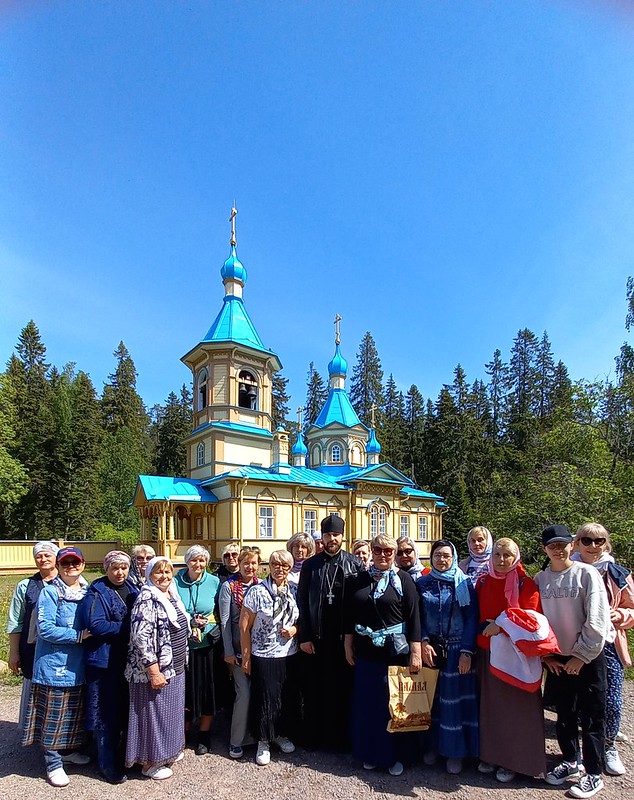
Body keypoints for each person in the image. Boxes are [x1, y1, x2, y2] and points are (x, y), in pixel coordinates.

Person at [536, 524, 614, 798]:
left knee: (592, 716)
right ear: (545, 549)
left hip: (588, 657)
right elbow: (535, 621)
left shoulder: (587, 574)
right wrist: (546, 656)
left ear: (572, 544)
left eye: (562, 544)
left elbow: (597, 620)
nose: (558, 550)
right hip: (558, 659)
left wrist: (581, 656)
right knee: (564, 713)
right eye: (552, 546)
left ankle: (594, 773)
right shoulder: (541, 579)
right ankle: (570, 760)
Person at [344, 534, 422, 776]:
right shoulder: (358, 579)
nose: (382, 555)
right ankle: (371, 753)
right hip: (366, 652)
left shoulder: (404, 580)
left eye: (388, 551)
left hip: (395, 653)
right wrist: (348, 643)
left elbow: (414, 617)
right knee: (369, 706)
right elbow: (349, 614)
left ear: (394, 554)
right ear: (372, 551)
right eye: (377, 550)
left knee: (394, 705)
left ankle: (394, 755)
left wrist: (416, 651)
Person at [475, 537, 545, 783]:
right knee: (491, 706)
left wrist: (501, 625)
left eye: (507, 555)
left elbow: (531, 619)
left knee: (516, 708)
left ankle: (515, 760)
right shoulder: (483, 582)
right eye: (497, 555)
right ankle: (492, 754)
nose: (502, 560)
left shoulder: (527, 584)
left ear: (516, 557)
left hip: (517, 655)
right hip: (489, 652)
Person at [21, 546, 91, 788]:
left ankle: (67, 752)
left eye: (75, 562)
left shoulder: (86, 590)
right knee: (53, 714)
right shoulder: (50, 593)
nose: (71, 566)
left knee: (72, 712)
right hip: (54, 663)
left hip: (78, 664)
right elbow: (45, 628)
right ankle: (52, 762)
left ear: (82, 564)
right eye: (65, 563)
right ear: (59, 567)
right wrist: (79, 635)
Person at [571, 522, 634, 777]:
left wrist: (619, 614)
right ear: (577, 542)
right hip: (573, 642)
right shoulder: (565, 568)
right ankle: (575, 751)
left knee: (610, 698)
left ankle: (608, 745)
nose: (593, 546)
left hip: (607, 643)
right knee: (574, 699)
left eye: (599, 541)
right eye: (587, 540)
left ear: (606, 543)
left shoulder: (616, 573)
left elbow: (632, 608)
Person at [297, 513, 362, 750]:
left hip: (345, 639)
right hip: (317, 638)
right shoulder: (311, 565)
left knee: (343, 688)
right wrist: (304, 636)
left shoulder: (354, 564)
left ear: (342, 537)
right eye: (327, 535)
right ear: (321, 538)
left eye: (335, 535)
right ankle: (315, 737)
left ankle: (342, 739)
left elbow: (360, 602)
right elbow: (302, 600)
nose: (331, 539)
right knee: (316, 688)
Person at [125, 556, 190, 780]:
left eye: (168, 572)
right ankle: (150, 762)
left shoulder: (171, 594)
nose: (164, 577)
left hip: (175, 665)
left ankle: (167, 752)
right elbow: (140, 637)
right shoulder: (146, 598)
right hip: (154, 669)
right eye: (158, 573)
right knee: (153, 715)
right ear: (149, 575)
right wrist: (153, 670)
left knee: (169, 712)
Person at [417, 540, 479, 774]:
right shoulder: (422, 583)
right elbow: (418, 616)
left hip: (456, 649)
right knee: (432, 700)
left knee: (454, 702)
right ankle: (433, 746)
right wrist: (423, 641)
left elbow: (472, 618)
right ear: (431, 558)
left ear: (453, 557)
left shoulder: (463, 583)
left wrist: (466, 651)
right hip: (431, 649)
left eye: (446, 556)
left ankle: (455, 752)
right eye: (437, 555)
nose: (441, 560)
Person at [83, 550, 138, 784]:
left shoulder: (133, 589)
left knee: (124, 711)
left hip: (126, 659)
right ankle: (106, 764)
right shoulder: (97, 592)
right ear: (106, 568)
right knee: (105, 715)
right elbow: (96, 625)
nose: (119, 572)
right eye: (115, 568)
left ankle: (122, 757)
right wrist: (129, 628)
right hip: (104, 661)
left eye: (124, 567)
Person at [240, 549, 299, 766]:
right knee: (265, 697)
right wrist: (246, 658)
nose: (280, 569)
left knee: (284, 696)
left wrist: (295, 630)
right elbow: (244, 626)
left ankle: (280, 734)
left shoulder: (294, 589)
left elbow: (303, 619)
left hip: (288, 653)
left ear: (290, 567)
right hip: (263, 653)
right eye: (276, 564)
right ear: (269, 566)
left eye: (284, 565)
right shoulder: (257, 592)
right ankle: (263, 740)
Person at [174, 545, 222, 755]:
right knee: (184, 691)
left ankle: (204, 734)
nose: (198, 564)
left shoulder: (214, 581)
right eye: (194, 560)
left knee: (206, 690)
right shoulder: (175, 582)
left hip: (207, 645)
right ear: (187, 562)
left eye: (202, 560)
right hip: (182, 645)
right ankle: (182, 733)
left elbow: (221, 611)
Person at [7, 541, 59, 730]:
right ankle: (34, 730)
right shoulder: (25, 586)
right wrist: (14, 653)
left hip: (63, 647)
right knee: (34, 688)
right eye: (39, 556)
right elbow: (15, 621)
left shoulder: (71, 582)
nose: (43, 559)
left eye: (47, 555)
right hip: (32, 647)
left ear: (56, 557)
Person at [219, 548, 260, 758]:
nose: (249, 567)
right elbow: (225, 621)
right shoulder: (229, 587)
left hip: (258, 649)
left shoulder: (260, 586)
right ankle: (236, 740)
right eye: (246, 563)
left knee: (257, 692)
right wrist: (228, 651)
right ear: (240, 564)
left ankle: (254, 737)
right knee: (243, 693)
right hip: (236, 649)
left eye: (253, 563)